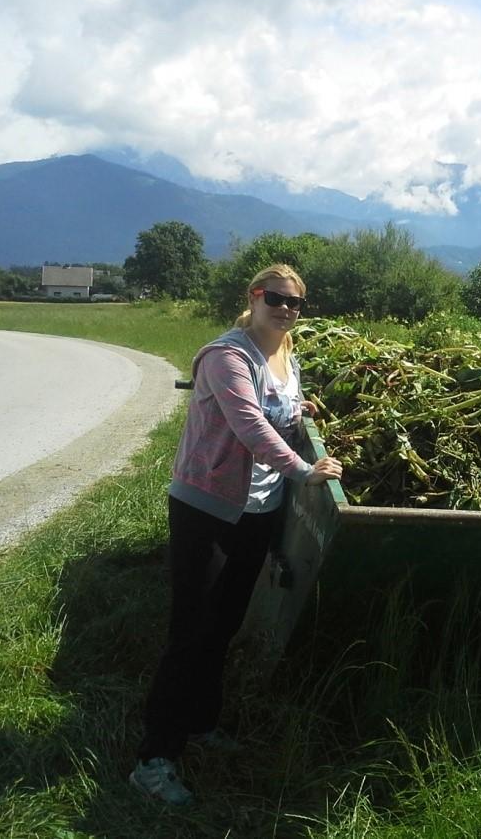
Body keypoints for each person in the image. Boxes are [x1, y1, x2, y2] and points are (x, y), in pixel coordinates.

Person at [130, 263, 342, 805]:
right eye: (276, 298)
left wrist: (301, 411)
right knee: (189, 633)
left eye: (295, 302)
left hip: (257, 509)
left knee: (223, 627)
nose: (286, 309)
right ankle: (155, 758)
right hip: (208, 509)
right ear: (254, 297)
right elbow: (249, 424)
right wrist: (303, 469)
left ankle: (201, 722)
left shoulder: (285, 354)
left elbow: (277, 409)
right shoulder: (228, 355)